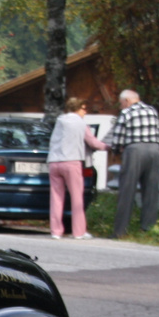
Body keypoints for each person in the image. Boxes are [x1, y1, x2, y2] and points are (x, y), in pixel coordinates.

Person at [47, 95, 108, 240]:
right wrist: (109, 147)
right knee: (76, 197)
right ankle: (78, 231)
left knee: (56, 197)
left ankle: (56, 231)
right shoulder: (81, 123)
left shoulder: (60, 121)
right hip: (72, 161)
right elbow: (93, 143)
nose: (85, 112)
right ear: (77, 108)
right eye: (83, 109)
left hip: (54, 161)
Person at [109, 88, 159, 237]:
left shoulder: (127, 113)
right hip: (154, 150)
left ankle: (120, 231)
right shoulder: (152, 110)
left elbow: (118, 136)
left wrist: (115, 151)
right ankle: (148, 228)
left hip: (135, 151)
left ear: (126, 101)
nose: (121, 107)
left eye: (121, 104)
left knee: (127, 190)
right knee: (151, 190)